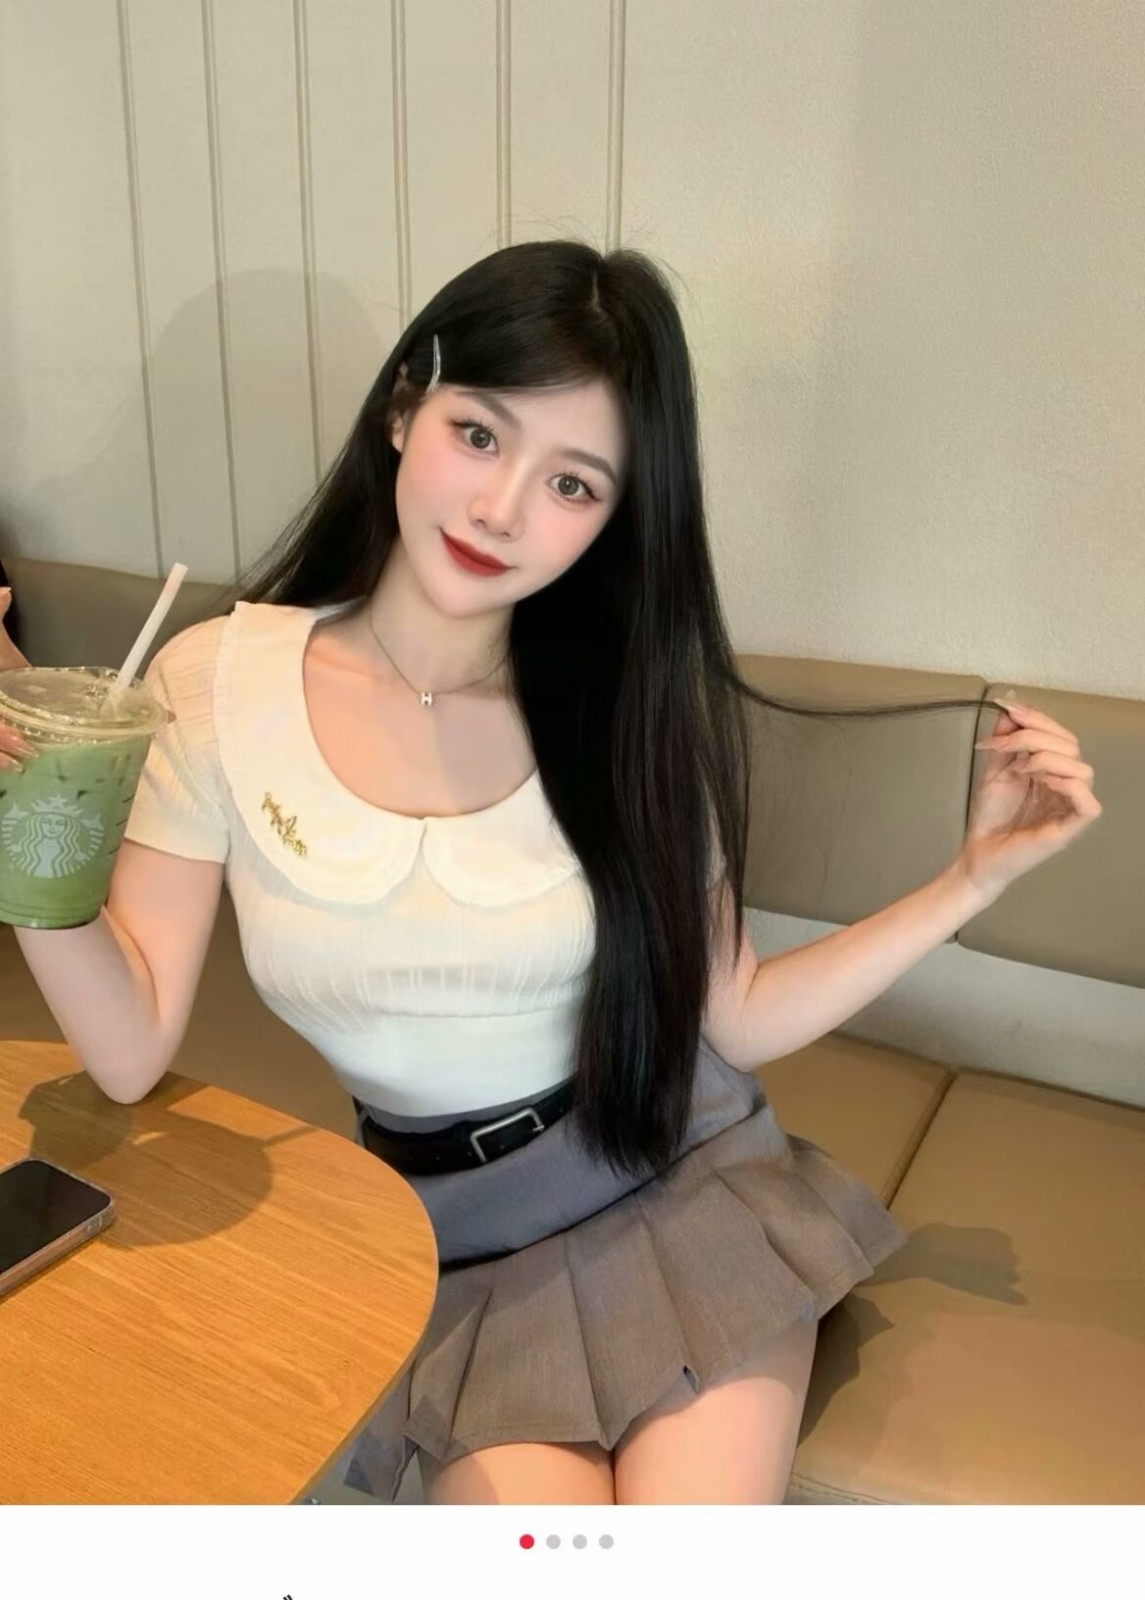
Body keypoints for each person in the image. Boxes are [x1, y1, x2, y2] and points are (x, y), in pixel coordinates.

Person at [2, 240, 1100, 1505]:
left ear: (613, 516)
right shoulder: (212, 686)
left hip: (675, 1185)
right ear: (404, 406)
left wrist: (970, 878)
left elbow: (734, 1013)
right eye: (478, 434)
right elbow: (128, 1049)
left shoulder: (630, 705)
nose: (500, 510)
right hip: (447, 1238)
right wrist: (30, 824)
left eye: (571, 483)